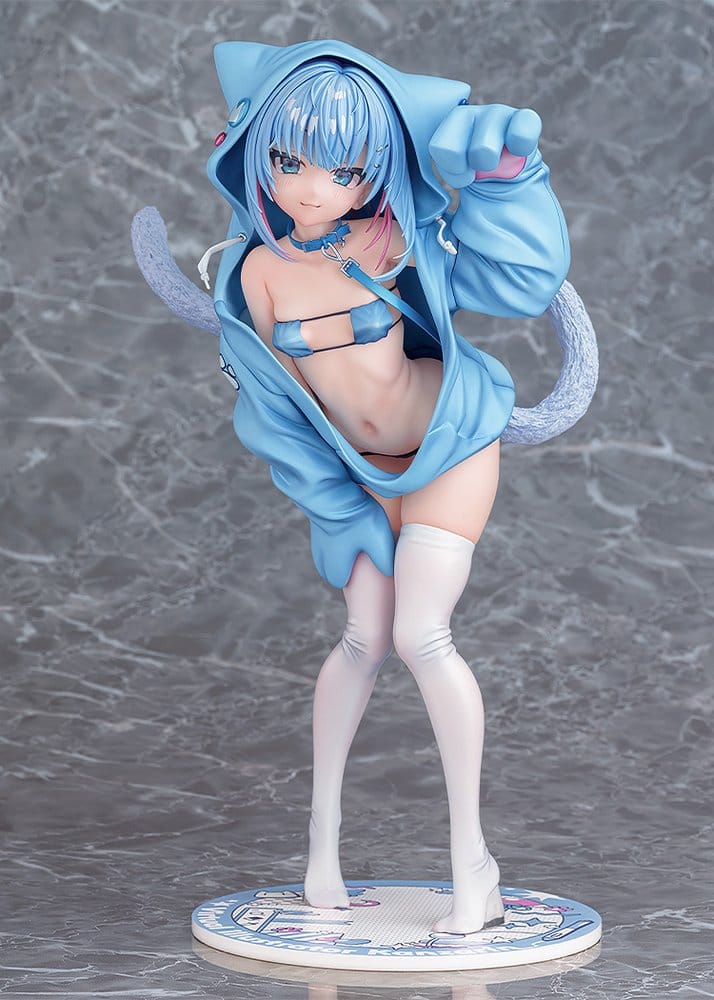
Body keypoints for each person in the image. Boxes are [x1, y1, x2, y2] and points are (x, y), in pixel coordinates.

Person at [132, 39, 597, 935]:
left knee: (423, 634)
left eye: (342, 170)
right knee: (362, 638)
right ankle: (321, 852)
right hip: (360, 472)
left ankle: (475, 866)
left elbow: (519, 282)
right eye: (289, 160)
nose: (311, 190)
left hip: (449, 441)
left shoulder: (391, 236)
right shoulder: (254, 275)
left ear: (373, 172)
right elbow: (279, 411)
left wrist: (509, 184)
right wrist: (337, 503)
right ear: (256, 152)